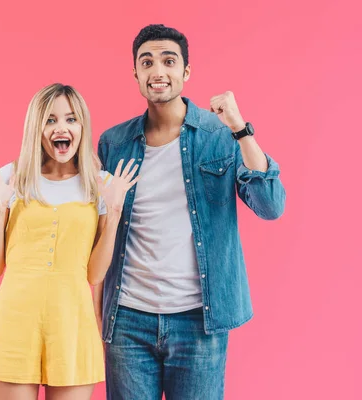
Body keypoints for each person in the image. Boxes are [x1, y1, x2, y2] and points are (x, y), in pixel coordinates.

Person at [94, 24, 286, 400]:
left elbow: (270, 204)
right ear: (135, 73)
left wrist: (240, 129)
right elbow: (98, 231)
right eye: (146, 62)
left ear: (186, 72)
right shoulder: (113, 143)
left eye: (169, 60)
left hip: (199, 320)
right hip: (128, 319)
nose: (158, 71)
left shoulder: (220, 134)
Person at [0, 83, 140, 400]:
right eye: (50, 120)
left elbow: (94, 275)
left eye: (71, 119)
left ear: (82, 126)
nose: (61, 128)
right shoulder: (13, 177)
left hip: (71, 324)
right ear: (36, 127)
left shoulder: (100, 185)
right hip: (14, 323)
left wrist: (114, 211)